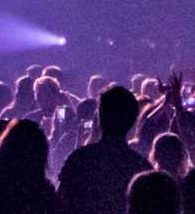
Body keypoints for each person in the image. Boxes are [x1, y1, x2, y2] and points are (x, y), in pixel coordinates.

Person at [57, 86, 150, 214]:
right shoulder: (141, 167)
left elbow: (60, 204)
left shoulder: (79, 159)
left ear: (99, 118)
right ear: (133, 122)